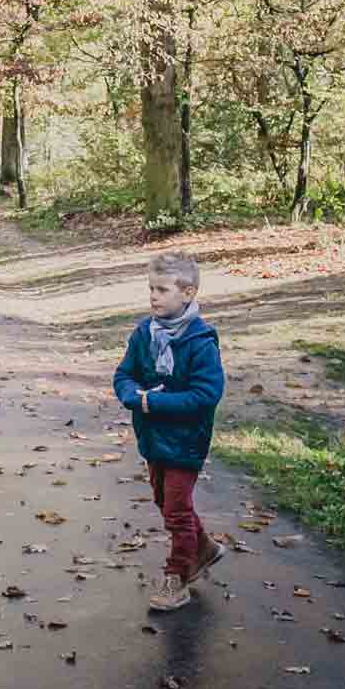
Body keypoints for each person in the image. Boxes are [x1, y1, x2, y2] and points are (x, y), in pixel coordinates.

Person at [112, 250, 225, 612]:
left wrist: (154, 403)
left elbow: (206, 395)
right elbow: (124, 374)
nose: (153, 296)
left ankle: (178, 576)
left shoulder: (201, 341)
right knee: (164, 501)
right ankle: (203, 547)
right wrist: (131, 396)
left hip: (186, 441)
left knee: (176, 508)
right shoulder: (144, 333)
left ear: (187, 293)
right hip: (152, 438)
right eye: (151, 289)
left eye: (162, 289)